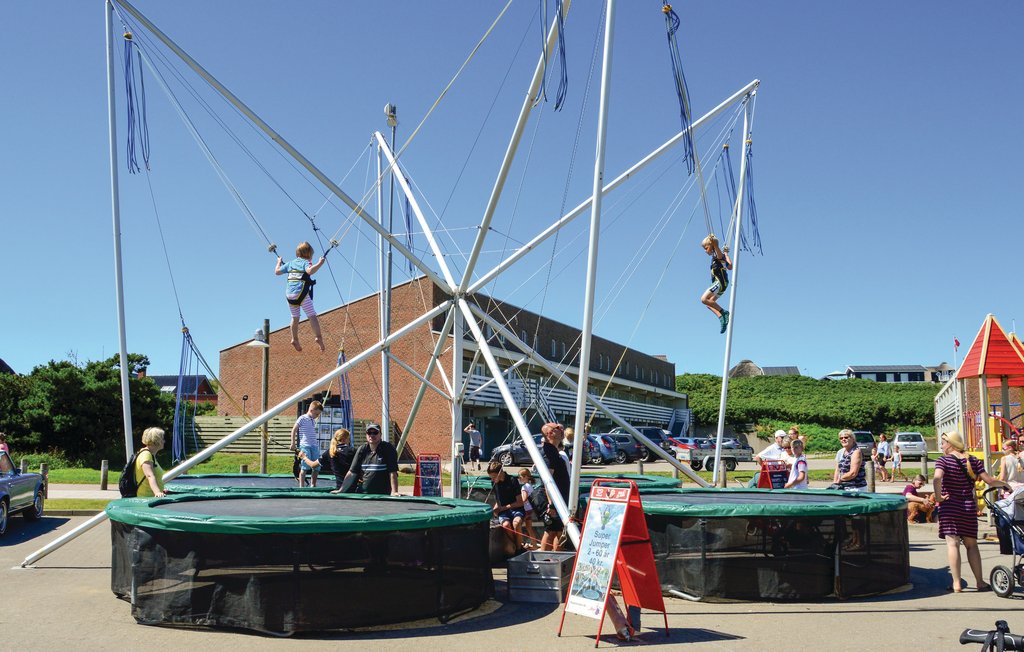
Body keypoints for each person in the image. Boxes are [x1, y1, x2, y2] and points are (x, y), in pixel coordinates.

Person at [933, 431, 1009, 592]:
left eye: (943, 443)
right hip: (967, 507)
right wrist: (1005, 484)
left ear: (951, 444)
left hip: (949, 507)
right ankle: (980, 582)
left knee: (953, 544)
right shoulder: (973, 460)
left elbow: (937, 478)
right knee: (972, 545)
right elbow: (989, 480)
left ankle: (956, 584)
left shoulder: (943, 461)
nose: (941, 446)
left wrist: (938, 497)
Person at [275, 241, 326, 352]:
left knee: (295, 317)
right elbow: (310, 271)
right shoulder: (305, 263)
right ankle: (318, 337)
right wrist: (320, 263)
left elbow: (277, 272)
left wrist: (278, 262)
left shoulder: (290, 264)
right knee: (312, 315)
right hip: (301, 294)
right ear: (309, 254)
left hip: (289, 296)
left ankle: (294, 339)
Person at [340, 423, 400, 496]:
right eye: (369, 433)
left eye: (375, 432)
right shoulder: (362, 449)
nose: (372, 435)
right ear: (366, 435)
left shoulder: (388, 449)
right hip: (362, 495)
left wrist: (394, 491)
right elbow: (352, 472)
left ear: (380, 434)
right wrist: (341, 490)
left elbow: (392, 472)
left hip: (382, 495)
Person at [539, 422, 571, 551]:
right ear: (550, 433)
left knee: (558, 530)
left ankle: (555, 559)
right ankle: (545, 560)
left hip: (559, 498)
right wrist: (551, 504)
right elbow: (548, 481)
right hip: (554, 500)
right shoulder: (548, 453)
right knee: (552, 531)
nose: (561, 430)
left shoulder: (554, 451)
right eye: (557, 428)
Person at [300, 428, 356, 492]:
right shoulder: (352, 451)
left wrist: (304, 457)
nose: (349, 441)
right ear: (344, 439)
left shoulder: (330, 452)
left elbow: (313, 465)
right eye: (348, 439)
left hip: (339, 487)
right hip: (354, 488)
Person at [698, 234, 733, 334]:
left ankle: (723, 312)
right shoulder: (721, 257)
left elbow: (718, 252)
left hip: (719, 282)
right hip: (723, 285)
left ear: (712, 245)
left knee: (703, 299)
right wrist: (726, 254)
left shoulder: (718, 255)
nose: (705, 251)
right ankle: (722, 318)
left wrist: (716, 245)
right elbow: (730, 266)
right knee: (710, 304)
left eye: (706, 248)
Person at [488, 461, 525, 551]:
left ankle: (518, 548)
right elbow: (499, 500)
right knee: (506, 524)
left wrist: (503, 508)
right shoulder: (495, 483)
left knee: (516, 523)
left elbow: (520, 502)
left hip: (516, 509)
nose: (492, 480)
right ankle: (515, 545)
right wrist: (494, 510)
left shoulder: (512, 480)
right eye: (491, 477)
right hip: (504, 511)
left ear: (500, 472)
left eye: (494, 477)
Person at [290, 401, 323, 487]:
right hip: (305, 445)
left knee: (317, 466)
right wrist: (293, 443)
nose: (317, 416)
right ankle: (301, 486)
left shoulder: (313, 420)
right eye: (316, 414)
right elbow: (294, 430)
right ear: (311, 410)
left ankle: (313, 484)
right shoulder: (302, 418)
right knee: (305, 467)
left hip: (314, 446)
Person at [135, 427, 167, 498]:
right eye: (162, 439)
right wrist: (157, 492)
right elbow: (149, 476)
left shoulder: (150, 455)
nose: (164, 441)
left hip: (151, 496)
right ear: (156, 440)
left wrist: (161, 489)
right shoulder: (146, 455)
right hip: (146, 497)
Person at [518, 468, 539, 549]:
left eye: (520, 477)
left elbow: (524, 498)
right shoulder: (530, 486)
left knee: (518, 525)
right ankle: (534, 544)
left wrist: (517, 503)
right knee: (529, 527)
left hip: (526, 509)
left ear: (525, 477)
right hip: (530, 508)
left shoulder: (524, 487)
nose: (519, 479)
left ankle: (519, 544)